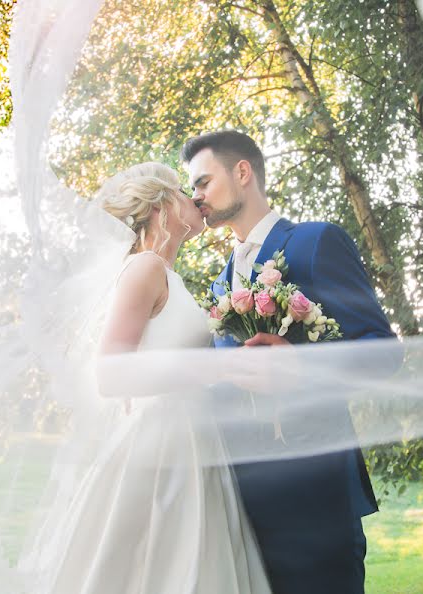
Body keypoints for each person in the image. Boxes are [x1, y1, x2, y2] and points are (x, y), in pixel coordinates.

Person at [30, 161, 272, 593]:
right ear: (160, 208)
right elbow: (111, 373)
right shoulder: (144, 268)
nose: (196, 198)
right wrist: (220, 366)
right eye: (183, 192)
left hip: (194, 447)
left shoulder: (169, 278)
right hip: (160, 453)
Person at [182, 130, 396, 594]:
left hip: (314, 497)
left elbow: (383, 352)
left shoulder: (317, 241)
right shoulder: (221, 284)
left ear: (242, 172)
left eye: (202, 182)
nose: (195, 197)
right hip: (237, 504)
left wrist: (301, 365)